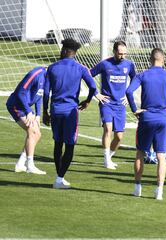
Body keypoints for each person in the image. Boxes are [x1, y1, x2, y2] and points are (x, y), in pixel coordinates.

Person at [126, 48, 166, 200]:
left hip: (146, 118)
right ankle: (159, 191)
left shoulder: (142, 75)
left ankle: (137, 187)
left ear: (150, 59)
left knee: (140, 153)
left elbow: (129, 92)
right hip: (163, 118)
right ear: (164, 60)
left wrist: (135, 109)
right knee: (161, 156)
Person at [43, 38, 109, 189]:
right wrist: (87, 101)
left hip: (56, 109)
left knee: (58, 143)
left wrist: (45, 111)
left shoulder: (52, 68)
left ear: (65, 51)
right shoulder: (80, 68)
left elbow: (46, 92)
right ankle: (59, 178)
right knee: (70, 145)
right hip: (71, 112)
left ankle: (59, 177)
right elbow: (93, 87)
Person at [91, 41, 136, 170]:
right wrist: (96, 93)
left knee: (119, 137)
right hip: (107, 103)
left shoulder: (129, 65)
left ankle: (109, 157)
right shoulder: (105, 64)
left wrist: (129, 95)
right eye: (120, 53)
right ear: (114, 51)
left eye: (124, 54)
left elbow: (135, 79)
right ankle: (106, 160)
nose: (122, 56)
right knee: (108, 129)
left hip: (120, 105)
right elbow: (88, 75)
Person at [6, 66, 47, 174]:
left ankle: (20, 164)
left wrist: (38, 114)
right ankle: (30, 165)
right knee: (33, 131)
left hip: (25, 107)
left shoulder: (50, 78)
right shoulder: (36, 74)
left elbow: (39, 95)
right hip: (16, 105)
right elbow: (20, 92)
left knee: (37, 134)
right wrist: (29, 111)